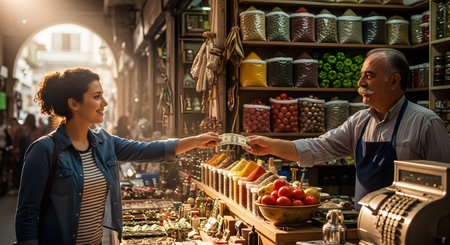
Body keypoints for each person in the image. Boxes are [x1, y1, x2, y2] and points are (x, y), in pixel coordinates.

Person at [15, 67, 221, 244]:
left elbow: (147, 150)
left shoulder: (104, 142)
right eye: (96, 96)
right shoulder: (44, 150)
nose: (105, 102)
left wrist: (195, 140)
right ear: (74, 104)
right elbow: (26, 216)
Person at [244, 48, 450, 210]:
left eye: (369, 76)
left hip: (405, 231)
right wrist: (270, 146)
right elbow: (319, 147)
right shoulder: (359, 122)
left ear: (394, 81)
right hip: (363, 224)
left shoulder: (425, 123)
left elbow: (444, 189)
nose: (360, 83)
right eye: (362, 75)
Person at [12, 114, 43, 187]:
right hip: (32, 153)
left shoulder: (21, 129)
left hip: (22, 152)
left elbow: (16, 140)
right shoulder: (36, 130)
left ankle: (20, 184)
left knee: (21, 168)